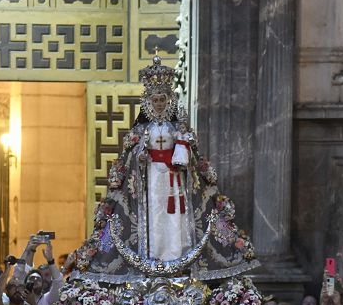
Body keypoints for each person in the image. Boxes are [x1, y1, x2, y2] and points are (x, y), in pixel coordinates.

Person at [67, 57, 256, 281]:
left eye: (162, 99)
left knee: (174, 216)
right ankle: (153, 256)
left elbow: (192, 158)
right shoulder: (141, 129)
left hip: (174, 179)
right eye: (155, 100)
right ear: (148, 101)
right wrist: (141, 156)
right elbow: (130, 158)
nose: (159, 104)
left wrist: (183, 150)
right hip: (151, 180)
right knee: (153, 216)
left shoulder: (177, 127)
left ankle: (176, 256)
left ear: (169, 101)